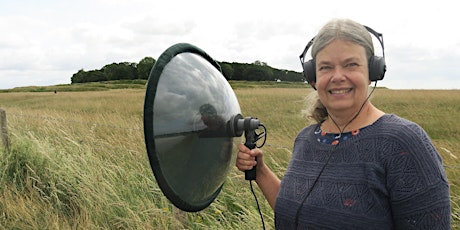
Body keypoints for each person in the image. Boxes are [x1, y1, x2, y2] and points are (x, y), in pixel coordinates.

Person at [235, 18, 451, 229]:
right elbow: (298, 214)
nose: (337, 76)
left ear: (373, 71)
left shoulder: (403, 141)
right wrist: (260, 171)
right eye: (326, 67)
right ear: (313, 76)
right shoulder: (307, 139)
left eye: (351, 65)